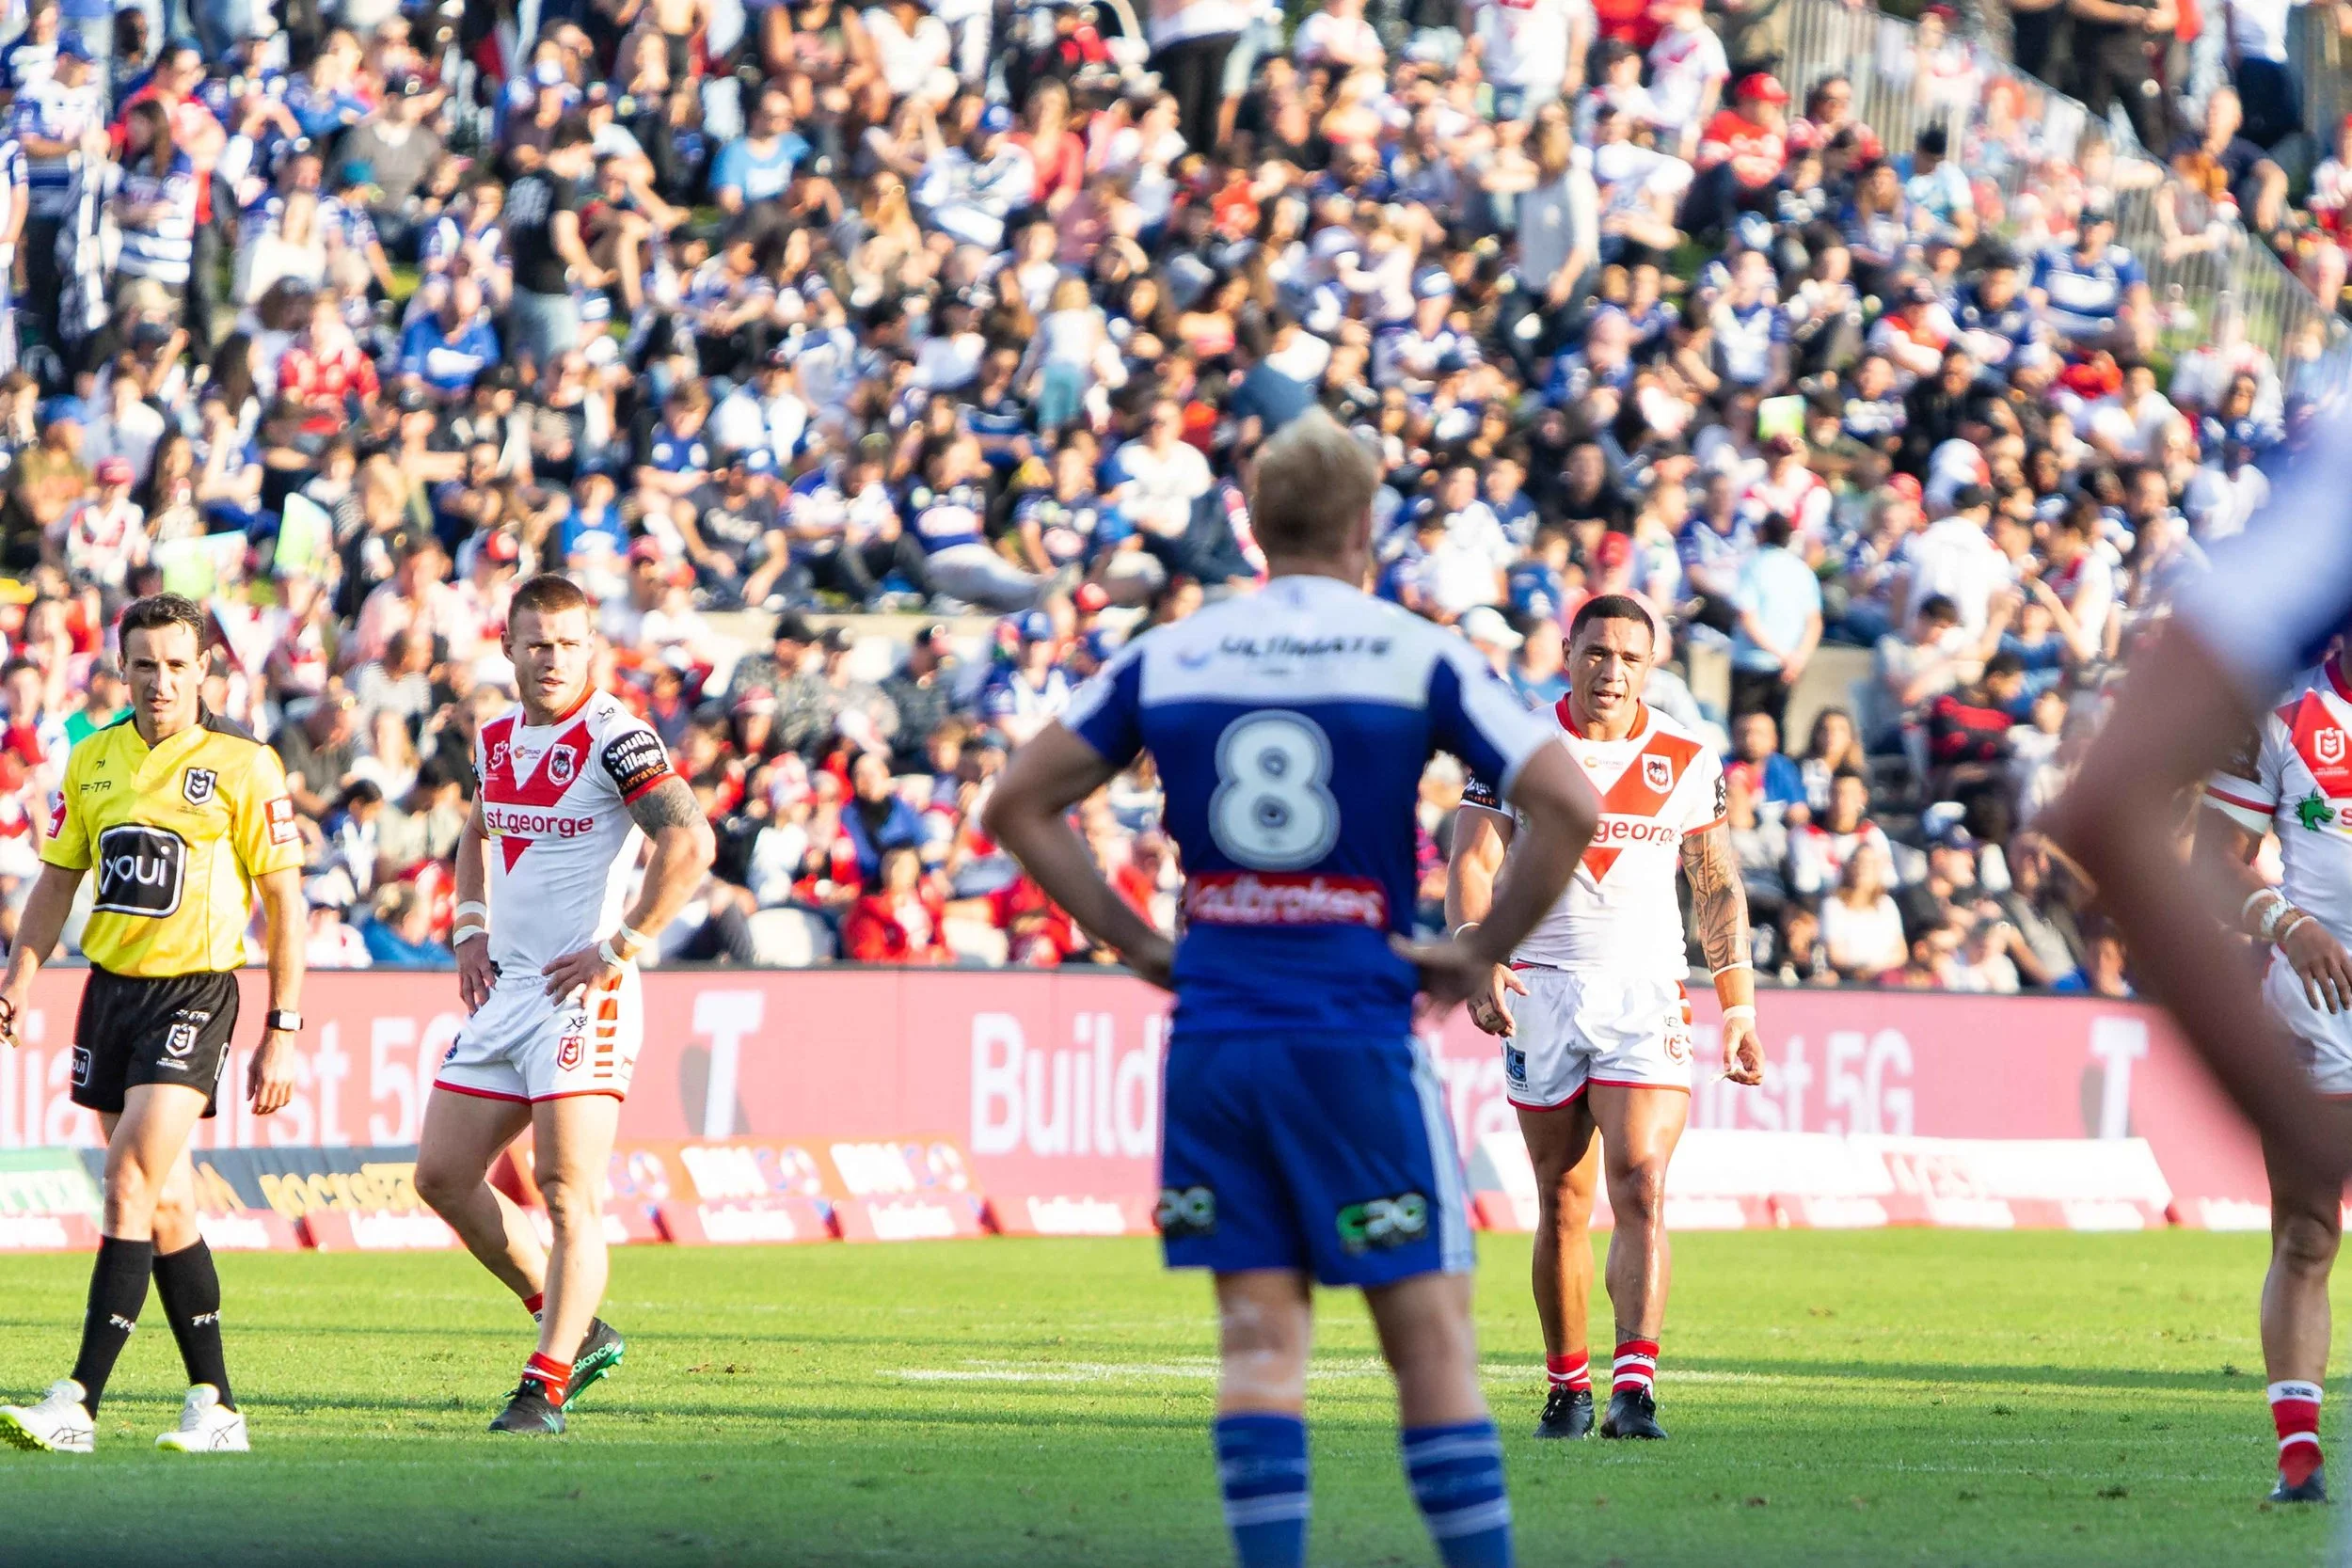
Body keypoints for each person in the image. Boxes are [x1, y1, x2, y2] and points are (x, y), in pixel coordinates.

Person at [982, 408, 1600, 1568]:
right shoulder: (1408, 650)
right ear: (1367, 523)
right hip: (1351, 1038)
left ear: (1255, 527)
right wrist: (1477, 946)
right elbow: (1565, 801)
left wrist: (1139, 942)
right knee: (1430, 1349)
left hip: (1216, 1038)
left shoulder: (1175, 652)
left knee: (1259, 1346)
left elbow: (1018, 802)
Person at [1447, 593, 1762, 1446]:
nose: (1611, 670)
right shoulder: (1515, 747)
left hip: (1646, 991)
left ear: (1650, 666)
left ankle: (1635, 1390)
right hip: (1542, 989)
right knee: (1560, 1197)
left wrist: (1738, 1006)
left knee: (1641, 1178)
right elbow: (1473, 860)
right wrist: (1480, 953)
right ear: (1569, 655)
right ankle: (1567, 1388)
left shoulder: (1690, 755)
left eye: (1629, 656)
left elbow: (1717, 883)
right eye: (1596, 653)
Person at [0, 594, 307, 1456]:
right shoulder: (92, 760)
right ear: (121, 669)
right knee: (167, 1202)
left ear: (205, 668)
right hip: (110, 993)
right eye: (144, 663)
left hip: (195, 993)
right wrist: (18, 978)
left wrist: (283, 1025)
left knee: (129, 1177)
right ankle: (217, 1406)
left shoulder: (245, 765)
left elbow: (284, 899)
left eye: (178, 663)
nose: (160, 679)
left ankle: (78, 1401)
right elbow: (58, 879)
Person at [408, 574, 716, 1435]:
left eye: (569, 642)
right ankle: (570, 1323)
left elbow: (690, 842)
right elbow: (478, 828)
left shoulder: (615, 735)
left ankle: (542, 1386)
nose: (552, 657)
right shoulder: (497, 733)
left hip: (585, 997)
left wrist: (620, 946)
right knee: (441, 1175)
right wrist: (469, 928)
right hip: (507, 989)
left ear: (592, 648)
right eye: (536, 641)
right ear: (508, 647)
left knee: (564, 1188)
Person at [2190, 638, 2352, 1501]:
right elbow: (2210, 866)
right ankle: (2299, 1456)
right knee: (2307, 1234)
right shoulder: (2279, 720)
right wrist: (2290, 925)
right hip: (2316, 1011)